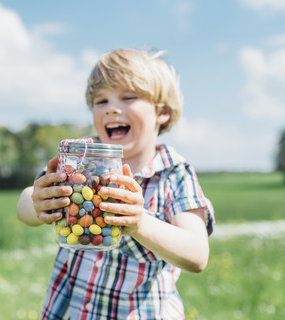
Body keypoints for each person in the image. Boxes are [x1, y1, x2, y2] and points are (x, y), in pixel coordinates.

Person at [16, 48, 215, 319]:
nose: (111, 107)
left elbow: (197, 255)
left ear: (162, 113)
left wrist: (140, 224)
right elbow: (25, 203)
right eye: (100, 100)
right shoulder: (81, 158)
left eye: (128, 97)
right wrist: (39, 202)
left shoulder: (174, 174)